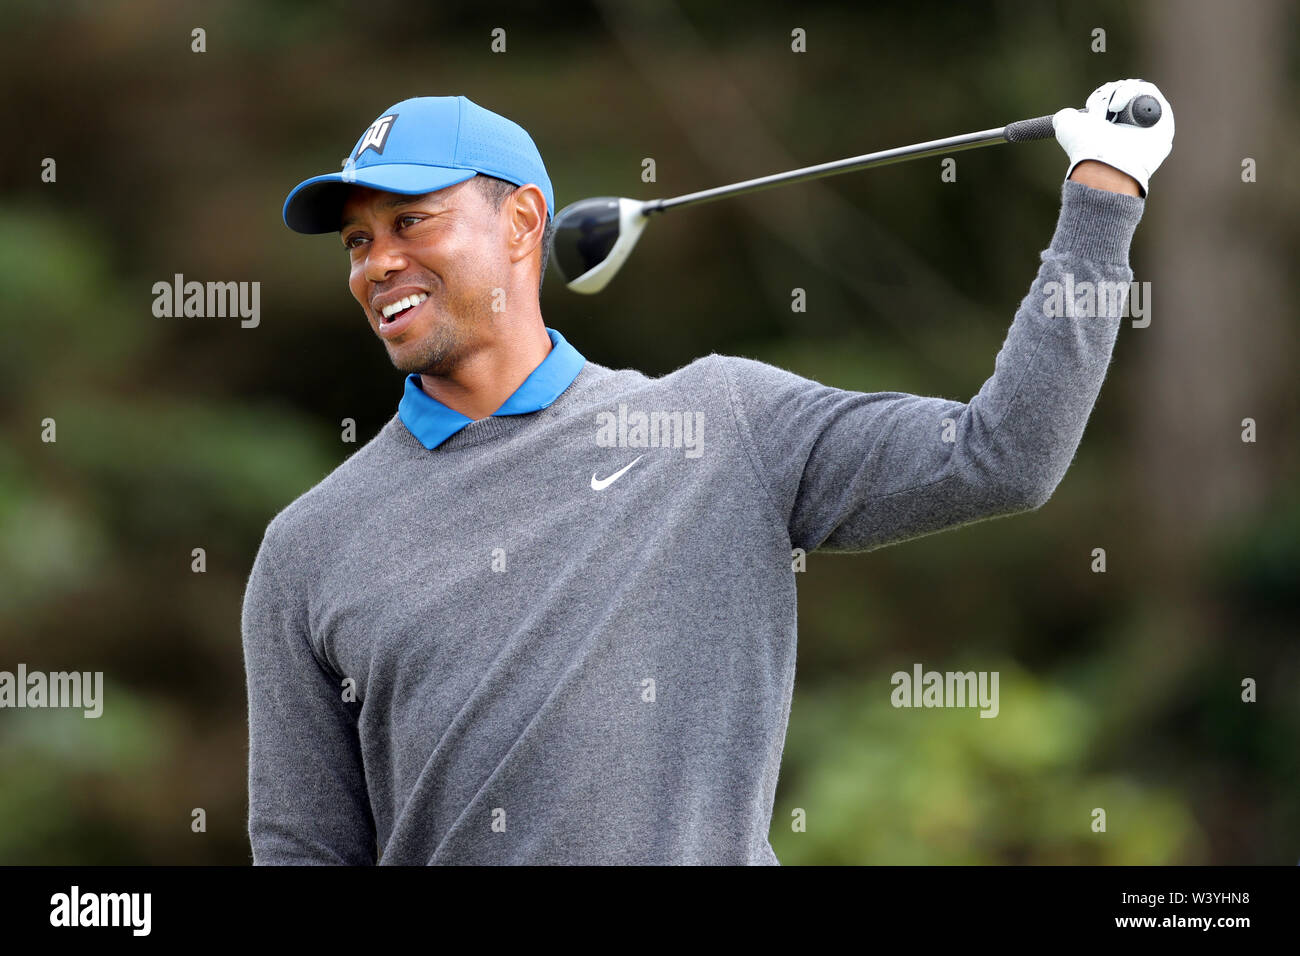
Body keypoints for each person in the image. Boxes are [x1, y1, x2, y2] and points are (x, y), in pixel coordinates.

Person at [242, 83, 1174, 864]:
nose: (378, 265)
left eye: (411, 221)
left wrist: (1104, 195)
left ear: (523, 221)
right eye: (358, 242)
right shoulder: (309, 548)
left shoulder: (721, 425)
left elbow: (1002, 458)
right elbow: (304, 855)